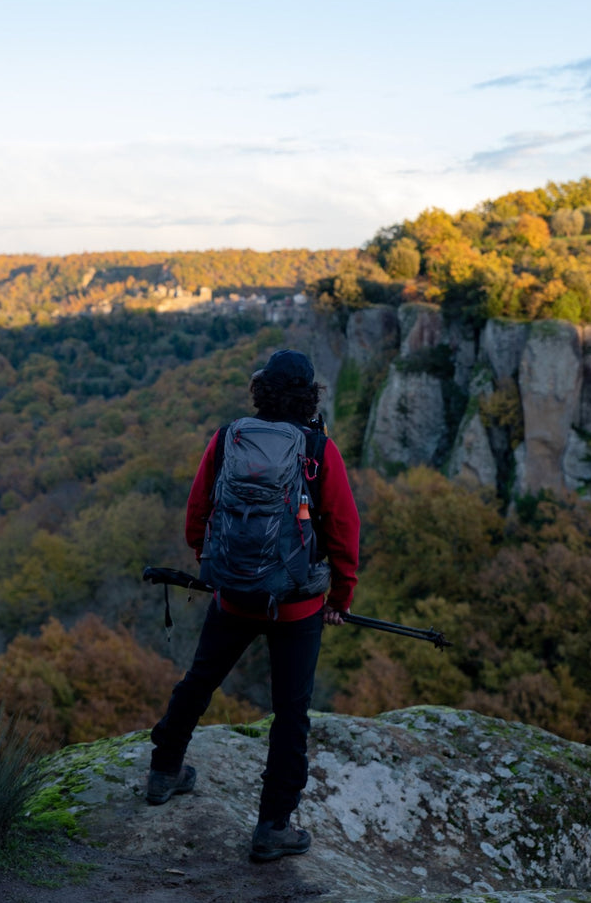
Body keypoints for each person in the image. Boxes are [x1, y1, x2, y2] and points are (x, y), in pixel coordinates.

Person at [146, 349, 361, 863]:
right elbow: (342, 527)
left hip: (234, 596)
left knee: (199, 681)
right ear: (310, 396)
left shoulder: (228, 438)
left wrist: (215, 565)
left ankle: (164, 772)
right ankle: (272, 826)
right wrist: (340, 597)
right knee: (290, 713)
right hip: (297, 606)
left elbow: (198, 510)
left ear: (260, 390)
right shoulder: (318, 449)